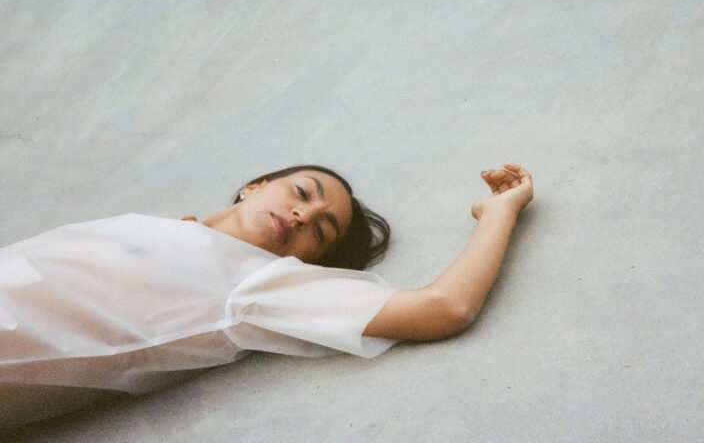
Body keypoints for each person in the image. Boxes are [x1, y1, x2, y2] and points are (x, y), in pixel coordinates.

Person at [0, 162, 534, 428]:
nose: (304, 215)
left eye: (319, 233)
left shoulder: (257, 284)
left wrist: (500, 213)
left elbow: (445, 308)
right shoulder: (157, 227)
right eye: (303, 193)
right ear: (253, 185)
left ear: (301, 263)